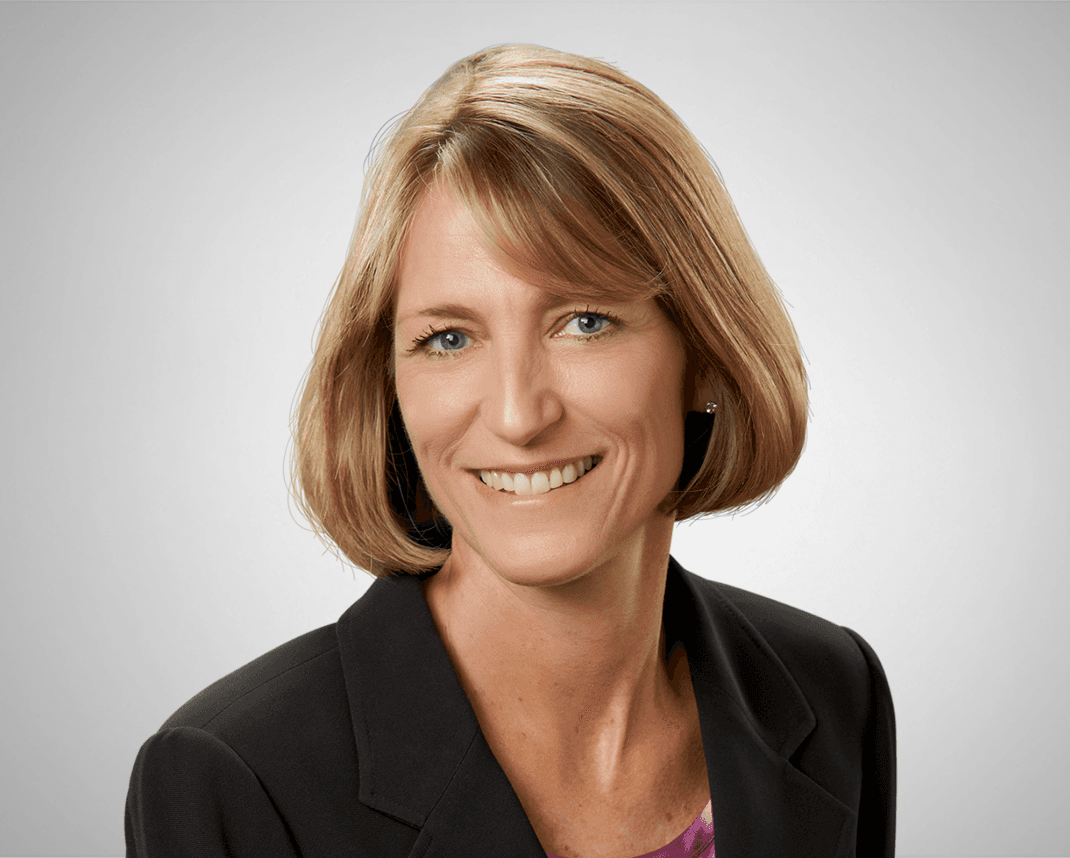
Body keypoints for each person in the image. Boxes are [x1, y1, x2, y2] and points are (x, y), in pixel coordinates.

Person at [125, 43, 896, 858]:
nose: (520, 414)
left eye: (585, 322)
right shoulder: (237, 777)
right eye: (449, 338)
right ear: (389, 383)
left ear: (703, 351)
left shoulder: (830, 687)